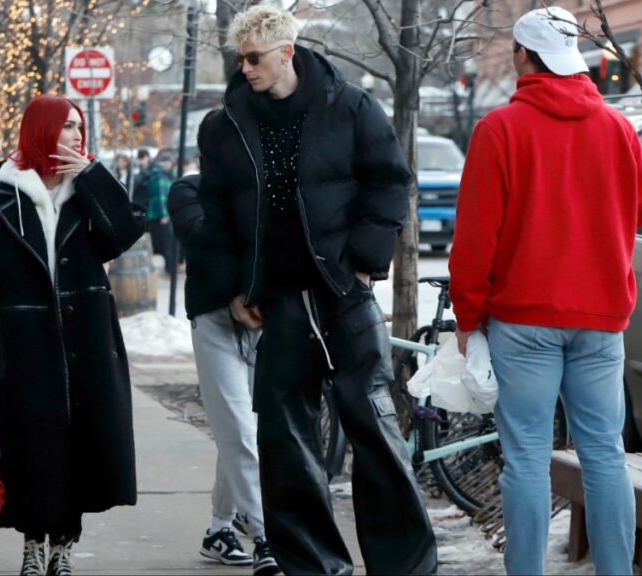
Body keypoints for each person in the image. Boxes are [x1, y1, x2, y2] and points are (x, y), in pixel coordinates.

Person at [197, 6, 438, 574]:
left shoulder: (347, 105)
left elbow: (390, 180)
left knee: (373, 428)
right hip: (278, 301)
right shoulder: (224, 123)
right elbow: (215, 215)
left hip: (342, 293)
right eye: (239, 59)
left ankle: (404, 566)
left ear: (285, 52)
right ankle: (311, 565)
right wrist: (234, 287)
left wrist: (364, 263)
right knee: (285, 443)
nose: (245, 68)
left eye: (254, 57)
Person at [447, 8, 642, 575]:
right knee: (605, 457)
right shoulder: (616, 127)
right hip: (600, 320)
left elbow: (474, 242)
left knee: (525, 460)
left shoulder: (500, 130)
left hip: (524, 323)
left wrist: (468, 321)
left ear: (523, 56)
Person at [0, 95, 145, 576]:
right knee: (32, 448)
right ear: (41, 130)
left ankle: (63, 545)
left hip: (87, 339)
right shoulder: (1, 199)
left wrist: (92, 176)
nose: (76, 135)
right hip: (25, 345)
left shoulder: (88, 192)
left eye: (80, 127)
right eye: (66, 127)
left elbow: (124, 233)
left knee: (81, 447)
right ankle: (31, 544)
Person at [168, 174, 278, 576]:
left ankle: (220, 527)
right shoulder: (189, 190)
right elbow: (201, 241)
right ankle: (265, 535)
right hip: (214, 317)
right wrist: (235, 292)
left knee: (245, 431)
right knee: (239, 427)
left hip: (265, 318)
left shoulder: (264, 183)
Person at [146, 151, 176, 276]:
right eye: (170, 162)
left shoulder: (156, 173)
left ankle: (170, 269)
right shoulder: (160, 176)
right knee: (167, 245)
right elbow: (161, 196)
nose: (172, 165)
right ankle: (170, 270)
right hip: (160, 215)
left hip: (154, 214)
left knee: (164, 245)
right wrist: (165, 214)